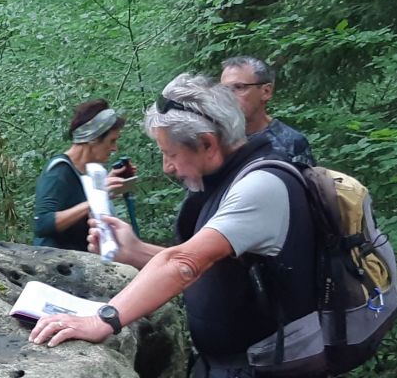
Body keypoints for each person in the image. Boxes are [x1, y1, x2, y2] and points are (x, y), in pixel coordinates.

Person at [27, 73, 326, 377]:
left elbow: (185, 263)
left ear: (207, 143)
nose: (167, 167)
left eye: (170, 154)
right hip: (231, 362)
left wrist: (102, 319)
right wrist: (135, 251)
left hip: (272, 367)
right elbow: (215, 265)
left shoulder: (260, 186)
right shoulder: (227, 179)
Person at [31, 98, 136, 251]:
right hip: (58, 266)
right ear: (93, 139)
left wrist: (112, 182)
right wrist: (97, 198)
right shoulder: (59, 171)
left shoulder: (92, 171)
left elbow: (83, 198)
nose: (114, 148)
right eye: (111, 141)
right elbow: (43, 224)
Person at [220, 56, 314, 166]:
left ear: (266, 92)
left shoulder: (290, 143)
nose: (229, 96)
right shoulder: (215, 139)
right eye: (224, 89)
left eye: (239, 87)